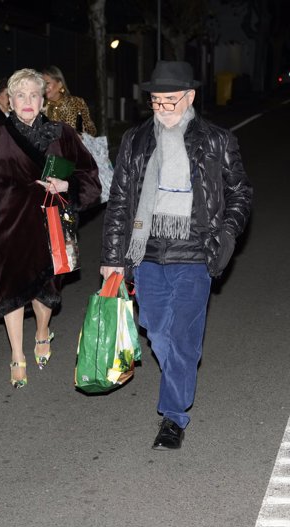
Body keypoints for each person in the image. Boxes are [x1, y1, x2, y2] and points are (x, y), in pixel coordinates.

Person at [100, 61, 253, 450]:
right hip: (146, 252)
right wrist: (113, 255)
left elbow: (240, 193)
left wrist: (227, 233)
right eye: (156, 101)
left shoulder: (216, 140)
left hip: (196, 252)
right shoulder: (136, 140)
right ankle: (180, 374)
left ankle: (173, 416)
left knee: (183, 335)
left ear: (190, 97)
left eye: (170, 100)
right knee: (155, 328)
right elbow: (120, 200)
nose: (163, 108)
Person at [0, 68, 101, 389]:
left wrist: (67, 185)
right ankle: (17, 355)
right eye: (20, 95)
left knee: (47, 292)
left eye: (34, 94)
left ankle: (42, 332)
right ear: (9, 100)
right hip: (6, 226)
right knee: (11, 291)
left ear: (43, 99)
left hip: (52, 225)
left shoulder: (62, 134)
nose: (27, 101)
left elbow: (91, 177)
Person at [42, 65, 97, 136]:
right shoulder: (40, 106)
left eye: (47, 83)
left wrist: (81, 132)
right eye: (42, 84)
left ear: (60, 84)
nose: (44, 87)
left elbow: (92, 130)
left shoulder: (76, 103)